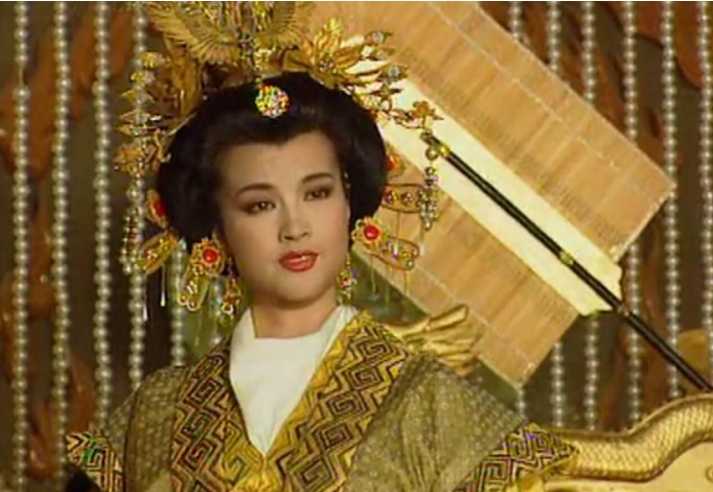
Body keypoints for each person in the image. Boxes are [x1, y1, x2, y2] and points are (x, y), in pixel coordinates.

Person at [66, 72, 573, 492]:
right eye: (260, 205)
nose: (295, 227)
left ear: (348, 205)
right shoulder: (156, 410)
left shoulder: (429, 403)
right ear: (218, 229)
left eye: (317, 193)